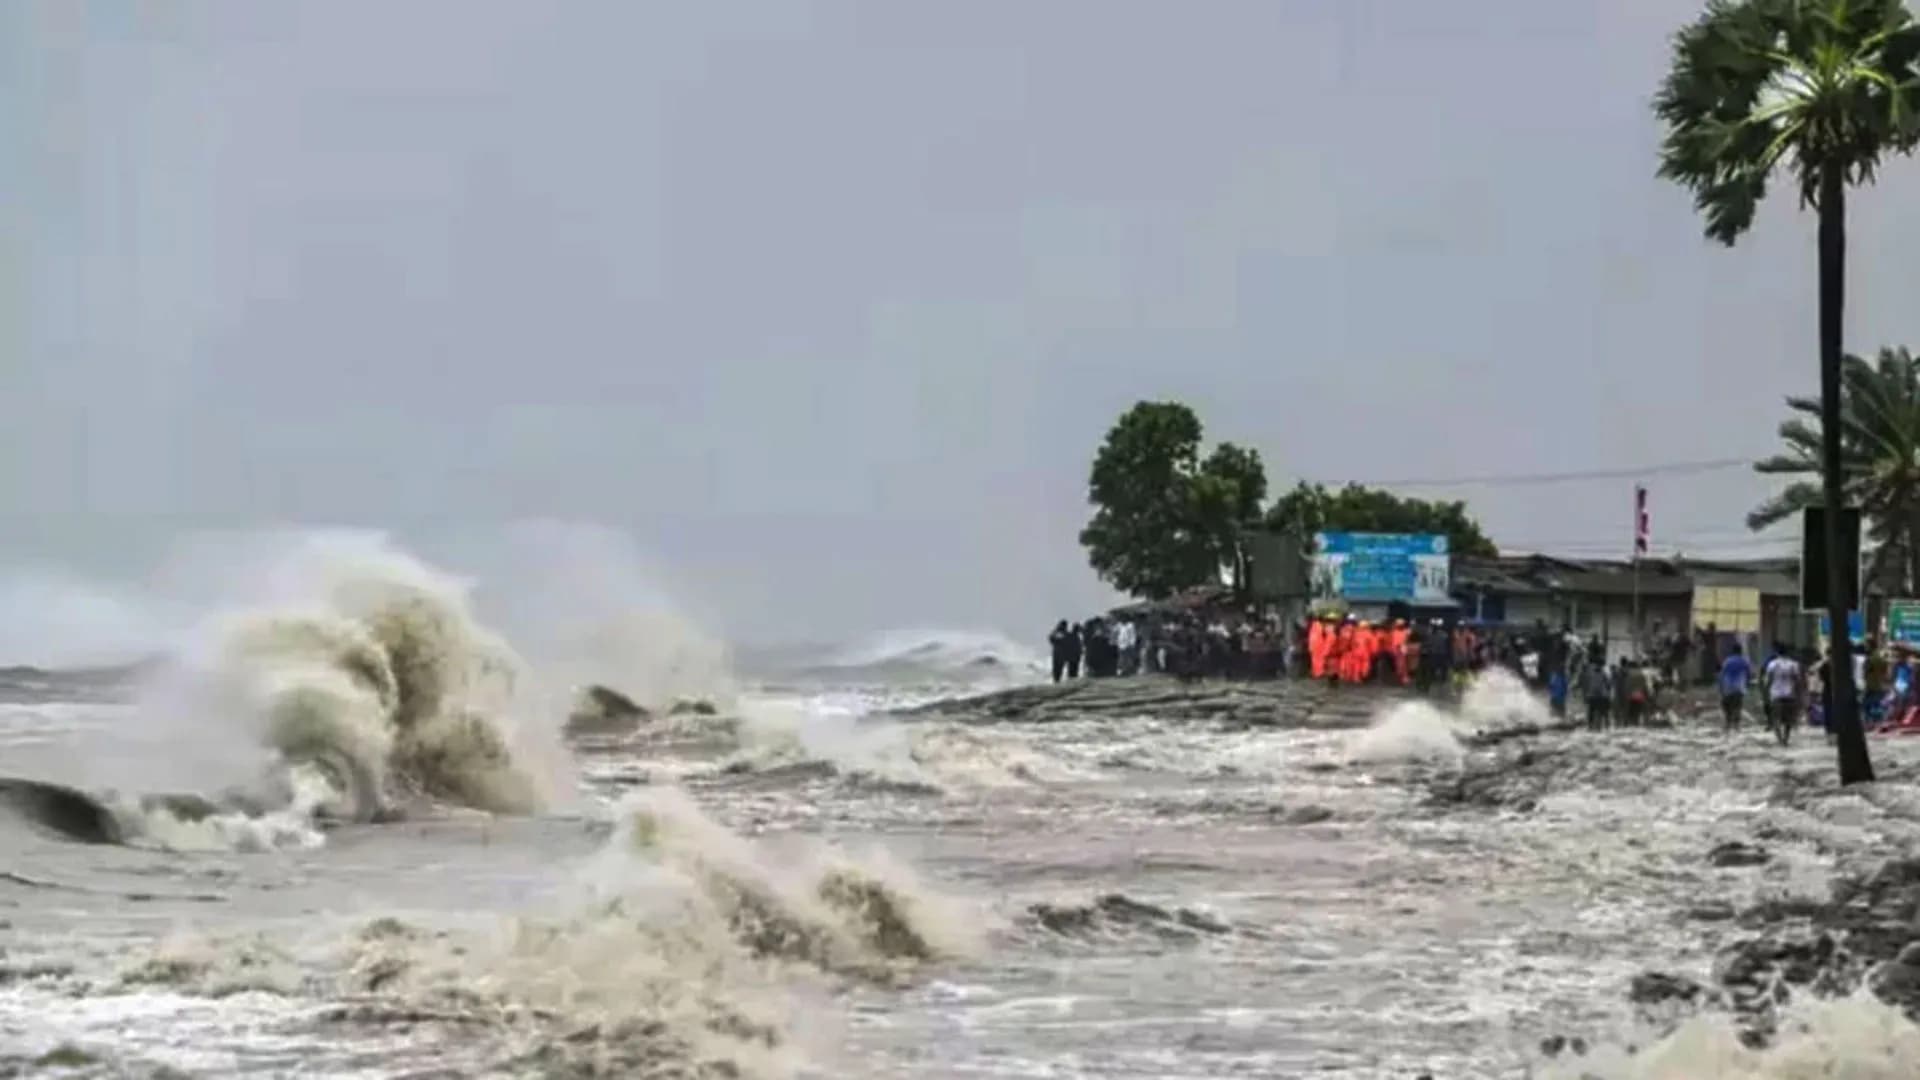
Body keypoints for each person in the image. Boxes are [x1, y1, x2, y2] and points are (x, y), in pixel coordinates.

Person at [1764, 644, 1803, 737]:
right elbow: (1797, 680)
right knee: (1788, 719)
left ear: (1777, 653)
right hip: (1790, 694)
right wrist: (1798, 693)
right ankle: (1786, 737)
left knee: (1776, 718)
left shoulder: (1772, 664)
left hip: (1776, 694)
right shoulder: (1793, 664)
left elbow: (1768, 679)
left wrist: (1766, 691)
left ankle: (1780, 739)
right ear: (1788, 653)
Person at [1718, 642, 1752, 731]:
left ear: (1732, 651)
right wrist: (1747, 685)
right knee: (1737, 707)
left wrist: (1720, 687)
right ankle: (1737, 726)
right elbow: (1749, 674)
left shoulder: (1727, 661)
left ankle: (1727, 725)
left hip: (1727, 688)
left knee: (1727, 707)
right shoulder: (1744, 661)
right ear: (1741, 651)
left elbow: (1721, 675)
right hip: (1739, 688)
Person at [1581, 659, 1613, 731]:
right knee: (1604, 711)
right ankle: (1606, 724)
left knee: (1591, 711)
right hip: (1600, 696)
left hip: (1593, 695)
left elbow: (1586, 684)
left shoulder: (1590, 673)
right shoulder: (1604, 673)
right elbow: (1608, 684)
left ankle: (1590, 725)